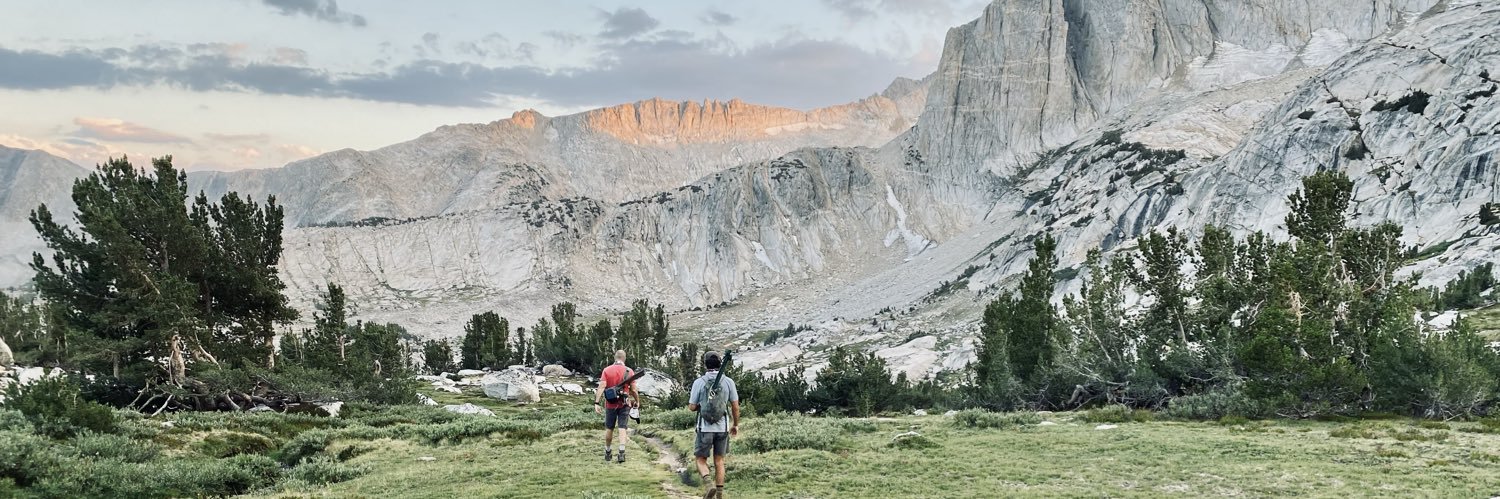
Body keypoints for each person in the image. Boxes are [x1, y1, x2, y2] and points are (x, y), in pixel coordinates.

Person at [689, 351, 739, 499]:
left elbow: (692, 407)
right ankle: (719, 495)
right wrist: (735, 425)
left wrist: (702, 406)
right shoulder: (728, 382)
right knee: (719, 461)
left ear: (705, 364)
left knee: (700, 459)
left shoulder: (699, 382)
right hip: (722, 427)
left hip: (704, 427)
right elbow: (735, 406)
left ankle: (708, 483)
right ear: (719, 363)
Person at [594, 350, 638, 463]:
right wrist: (637, 401)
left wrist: (596, 403)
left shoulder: (607, 370)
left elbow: (602, 386)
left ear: (615, 358)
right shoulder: (629, 371)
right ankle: (621, 452)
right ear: (624, 358)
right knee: (622, 427)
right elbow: (633, 390)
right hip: (624, 403)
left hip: (610, 404)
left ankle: (608, 451)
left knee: (609, 428)